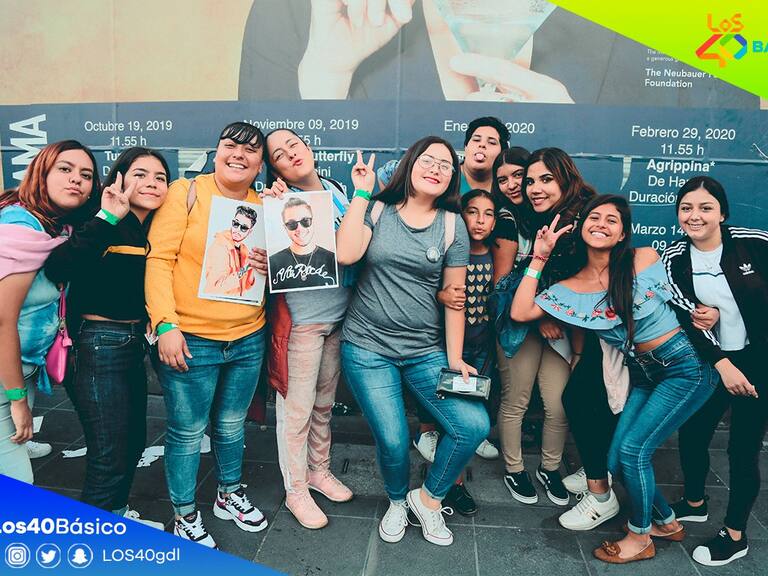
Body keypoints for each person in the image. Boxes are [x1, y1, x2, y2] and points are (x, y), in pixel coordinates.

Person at [512, 194, 718, 564]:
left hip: (684, 366)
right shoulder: (573, 287)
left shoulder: (644, 259)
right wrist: (539, 256)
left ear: (623, 233)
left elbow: (692, 301)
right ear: (582, 228)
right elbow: (521, 310)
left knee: (633, 452)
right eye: (595, 217)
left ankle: (640, 537)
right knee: (618, 459)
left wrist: (714, 318)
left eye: (612, 219)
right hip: (643, 373)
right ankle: (667, 523)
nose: (601, 224)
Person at [336, 137, 489, 547]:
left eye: (445, 164)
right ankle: (397, 500)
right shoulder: (377, 209)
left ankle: (428, 499)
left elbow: (454, 299)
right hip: (367, 347)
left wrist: (454, 358)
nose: (435, 168)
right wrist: (362, 193)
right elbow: (346, 254)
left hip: (424, 350)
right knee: (393, 439)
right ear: (409, 163)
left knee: (473, 425)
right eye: (427, 160)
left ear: (452, 176)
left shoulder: (452, 225)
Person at [145, 122, 269, 548]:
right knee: (187, 430)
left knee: (232, 425)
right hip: (191, 338)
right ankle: (184, 514)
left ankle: (228, 493)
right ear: (216, 152)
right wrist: (165, 323)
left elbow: (283, 273)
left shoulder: (267, 206)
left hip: (248, 337)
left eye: (250, 150)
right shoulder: (186, 192)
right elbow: (159, 260)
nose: (239, 155)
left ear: (260, 164)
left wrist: (272, 265)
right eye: (230, 145)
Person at [44, 147, 169, 528]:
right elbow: (59, 266)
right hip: (99, 345)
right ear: (119, 179)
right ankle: (94, 539)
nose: (151, 183)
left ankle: (115, 517)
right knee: (108, 453)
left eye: (160, 177)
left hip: (132, 344)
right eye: (140, 174)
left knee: (132, 442)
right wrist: (107, 216)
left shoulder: (152, 227)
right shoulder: (103, 216)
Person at [662, 176, 768, 566]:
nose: (695, 216)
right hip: (714, 361)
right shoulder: (674, 258)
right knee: (692, 433)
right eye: (686, 208)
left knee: (743, 448)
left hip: (759, 361)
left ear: (722, 213)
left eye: (706, 208)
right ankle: (695, 502)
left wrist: (728, 314)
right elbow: (686, 316)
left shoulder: (754, 243)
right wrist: (723, 362)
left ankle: (735, 535)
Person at [261, 128, 353, 530]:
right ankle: (295, 488)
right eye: (279, 155)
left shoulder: (337, 190)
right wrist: (270, 212)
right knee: (296, 410)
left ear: (308, 147)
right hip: (301, 321)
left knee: (324, 404)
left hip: (339, 317)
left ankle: (319, 470)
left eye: (293, 145)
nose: (291, 155)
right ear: (275, 169)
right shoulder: (276, 202)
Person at [496, 148, 594, 507]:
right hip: (521, 324)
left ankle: (550, 468)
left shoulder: (578, 219)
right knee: (517, 399)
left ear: (565, 179)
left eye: (545, 180)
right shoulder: (516, 217)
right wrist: (543, 317)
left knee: (559, 404)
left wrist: (553, 319)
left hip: (559, 328)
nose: (534, 188)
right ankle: (514, 468)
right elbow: (504, 284)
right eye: (531, 181)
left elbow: (580, 284)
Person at [0, 140, 99, 483]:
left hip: (22, 367)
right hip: (5, 376)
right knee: (19, 486)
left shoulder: (57, 228)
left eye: (86, 175)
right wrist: (17, 400)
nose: (76, 179)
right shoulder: (20, 227)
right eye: (65, 169)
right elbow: (3, 321)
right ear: (41, 173)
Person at [441, 188, 498, 516]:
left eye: (488, 214)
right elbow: (434, 290)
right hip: (454, 347)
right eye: (472, 212)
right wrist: (441, 296)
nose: (479, 220)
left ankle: (455, 474)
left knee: (474, 412)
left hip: (483, 348)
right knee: (455, 416)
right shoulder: (452, 253)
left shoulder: (497, 254)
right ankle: (454, 483)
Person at [268, 197, 338, 291]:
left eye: (305, 221)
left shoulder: (332, 259)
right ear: (285, 228)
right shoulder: (272, 263)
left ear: (313, 222)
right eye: (292, 224)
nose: (299, 229)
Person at [203, 204, 259, 297]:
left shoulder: (244, 249)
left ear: (250, 232)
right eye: (236, 224)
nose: (237, 230)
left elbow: (245, 287)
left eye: (244, 227)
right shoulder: (220, 246)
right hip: (216, 303)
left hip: (237, 303)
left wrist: (253, 267)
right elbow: (215, 287)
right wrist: (245, 269)